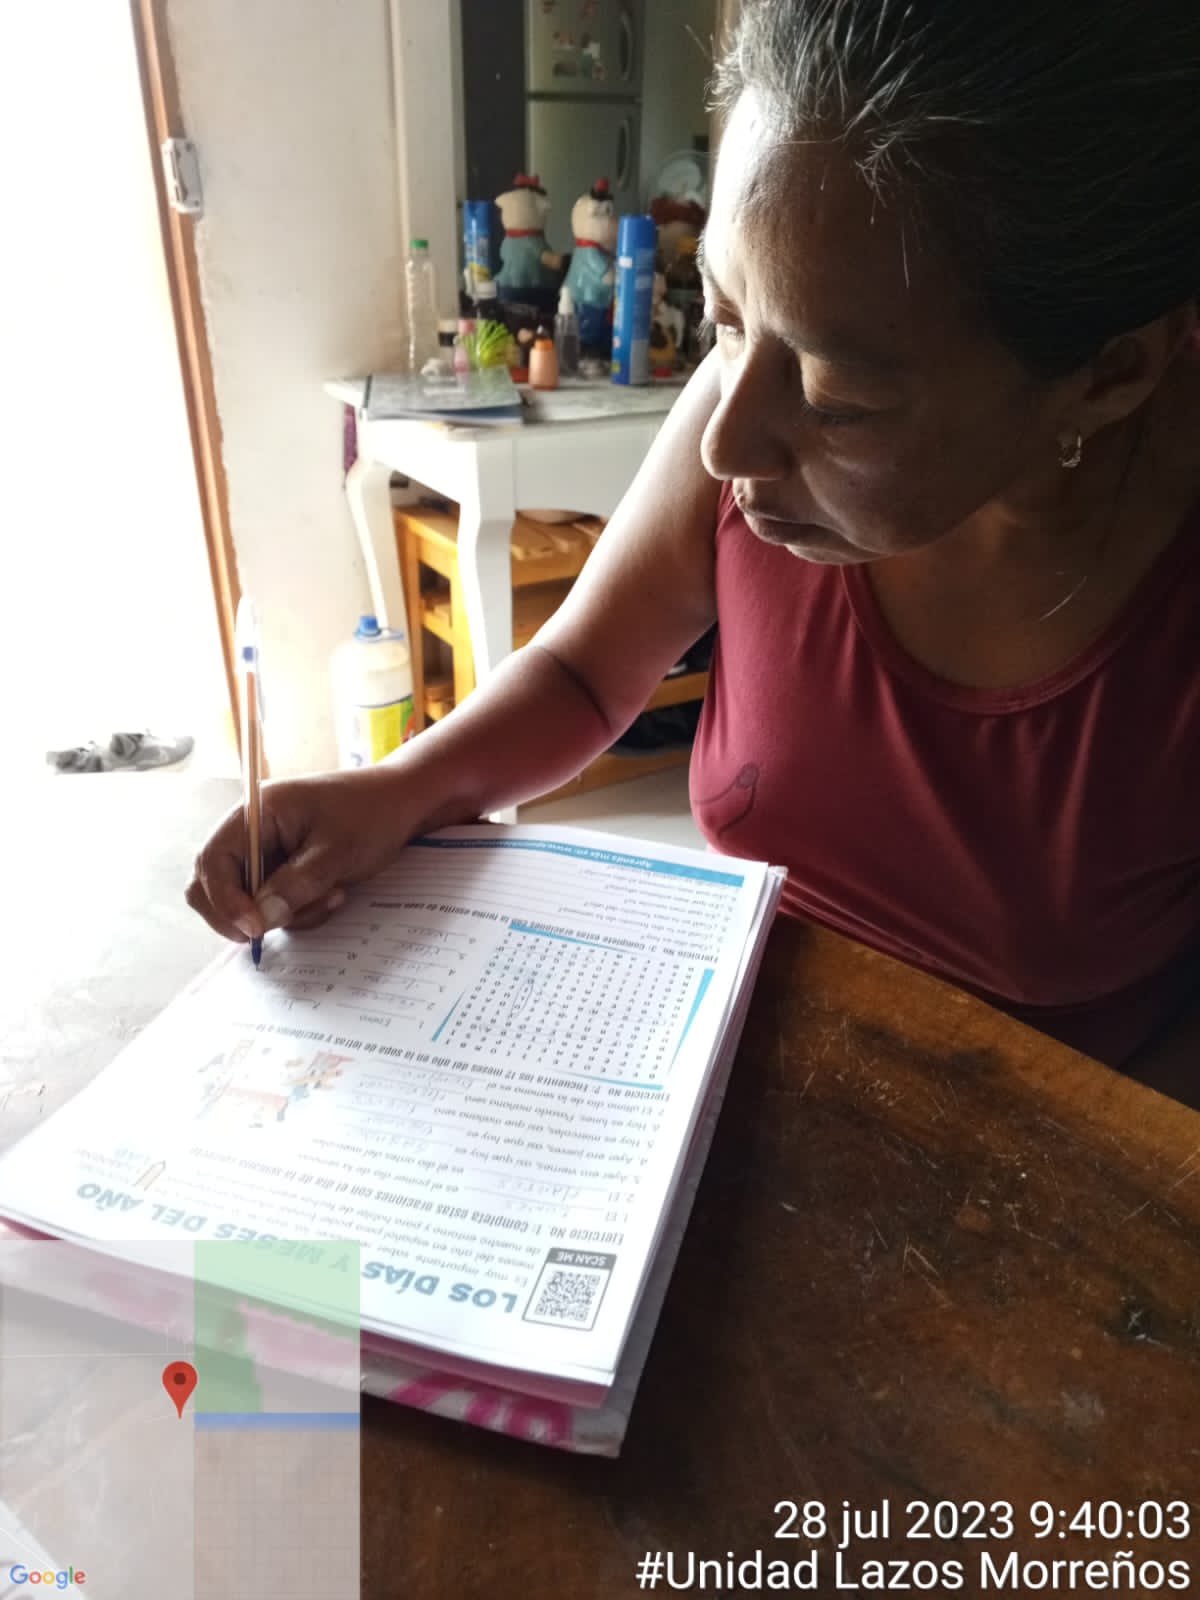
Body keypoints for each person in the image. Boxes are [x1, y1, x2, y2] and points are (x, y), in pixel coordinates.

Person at [189, 0, 1200, 1104]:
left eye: (838, 398)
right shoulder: (749, 412)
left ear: (1110, 375)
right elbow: (583, 674)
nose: (724, 443)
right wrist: (398, 788)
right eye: (724, 317)